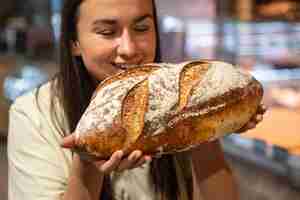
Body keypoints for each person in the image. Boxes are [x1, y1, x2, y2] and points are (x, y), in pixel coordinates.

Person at [7, 0, 266, 199]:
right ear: (74, 41)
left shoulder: (172, 97)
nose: (129, 49)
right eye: (108, 32)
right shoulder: (34, 114)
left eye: (142, 28)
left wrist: (204, 128)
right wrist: (87, 167)